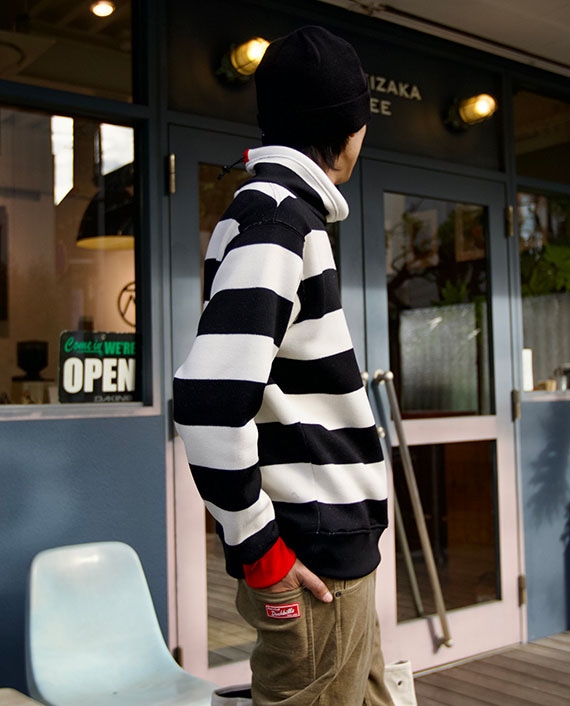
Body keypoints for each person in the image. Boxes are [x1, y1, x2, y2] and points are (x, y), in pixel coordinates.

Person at [173, 25, 394, 706]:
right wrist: (260, 547)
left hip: (328, 550)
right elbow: (208, 401)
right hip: (313, 555)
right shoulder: (280, 221)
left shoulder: (274, 216)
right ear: (348, 129)